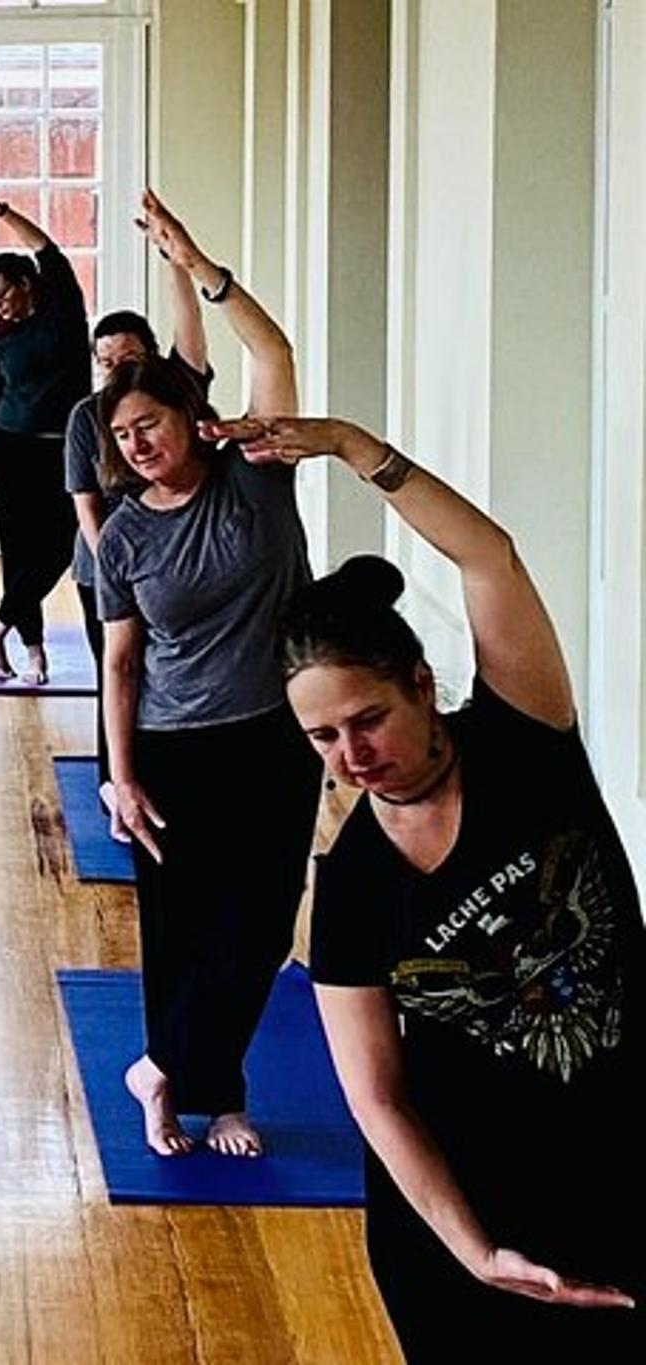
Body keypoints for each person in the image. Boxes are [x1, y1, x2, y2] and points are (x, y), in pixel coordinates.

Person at [222, 414, 646, 1359]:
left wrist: (348, 444)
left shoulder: (527, 739)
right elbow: (377, 1097)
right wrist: (477, 1249)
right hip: (460, 1222)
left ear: (423, 681)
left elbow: (490, 557)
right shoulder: (353, 884)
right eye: (323, 738)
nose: (352, 755)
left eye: (367, 718)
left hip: (619, 1168)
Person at [95, 190, 319, 1160]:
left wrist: (194, 262)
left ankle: (169, 1066)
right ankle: (187, 1094)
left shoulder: (256, 477)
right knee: (179, 929)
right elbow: (119, 663)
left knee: (261, 928)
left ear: (188, 419)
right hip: (173, 746)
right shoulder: (123, 536)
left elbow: (273, 359)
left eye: (149, 422)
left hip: (272, 730)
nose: (137, 441)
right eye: (122, 434)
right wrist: (119, 774)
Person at [65, 259, 209, 815]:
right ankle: (115, 787)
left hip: (171, 563)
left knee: (161, 672)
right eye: (106, 363)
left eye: (128, 358)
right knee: (118, 671)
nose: (116, 370)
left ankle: (165, 773)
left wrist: (181, 264)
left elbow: (191, 336)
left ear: (151, 354)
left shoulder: (174, 396)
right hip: (105, 565)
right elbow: (87, 505)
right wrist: (114, 576)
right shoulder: (87, 417)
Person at [0, 192, 91, 686]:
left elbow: (49, 250)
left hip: (65, 453)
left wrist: (0, 213)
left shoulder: (63, 314)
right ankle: (33, 654)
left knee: (61, 545)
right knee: (17, 552)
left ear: (26, 285)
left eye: (1, 296)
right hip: (7, 456)